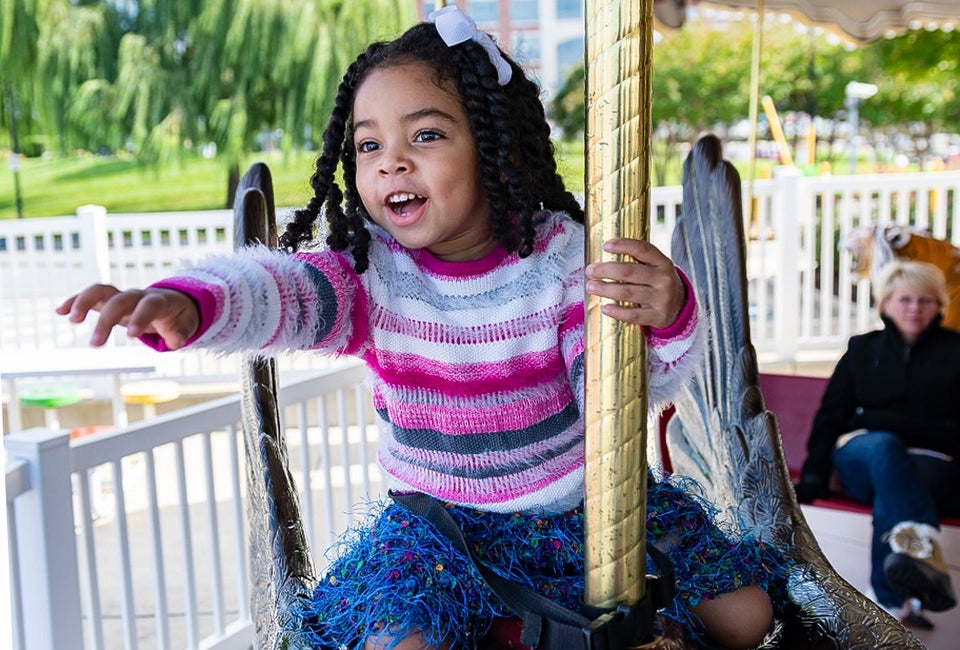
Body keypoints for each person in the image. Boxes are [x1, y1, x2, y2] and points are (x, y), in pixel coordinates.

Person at [58, 7, 784, 649]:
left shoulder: (561, 258)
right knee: (398, 640)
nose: (391, 162)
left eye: (426, 134)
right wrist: (193, 304)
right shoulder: (371, 273)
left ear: (497, 150)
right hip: (441, 531)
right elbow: (281, 291)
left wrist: (665, 314)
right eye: (369, 146)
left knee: (746, 617)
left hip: (583, 507)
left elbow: (625, 388)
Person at [795, 260, 960, 625]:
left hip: (931, 465)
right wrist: (813, 476)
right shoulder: (861, 350)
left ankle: (889, 602)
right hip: (863, 457)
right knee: (885, 447)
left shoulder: (956, 351)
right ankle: (922, 549)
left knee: (900, 477)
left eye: (925, 300)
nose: (914, 308)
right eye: (904, 299)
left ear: (939, 306)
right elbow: (830, 419)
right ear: (885, 304)